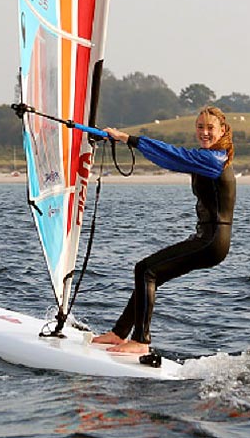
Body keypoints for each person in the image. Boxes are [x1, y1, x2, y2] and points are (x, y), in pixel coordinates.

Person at [92, 106, 236, 354]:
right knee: (149, 274)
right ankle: (118, 334)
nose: (204, 132)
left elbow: (171, 154)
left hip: (212, 240)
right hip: (208, 239)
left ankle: (141, 341)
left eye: (210, 128)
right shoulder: (210, 157)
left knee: (146, 269)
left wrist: (128, 139)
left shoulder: (213, 160)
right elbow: (170, 158)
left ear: (222, 130)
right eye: (200, 127)